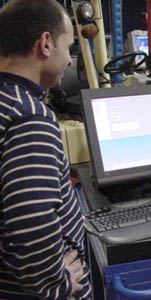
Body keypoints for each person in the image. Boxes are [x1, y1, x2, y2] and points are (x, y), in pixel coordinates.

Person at [0, 0, 91, 299]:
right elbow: (30, 217)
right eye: (69, 46)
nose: (69, 59)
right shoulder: (30, 118)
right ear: (46, 44)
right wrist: (56, 283)